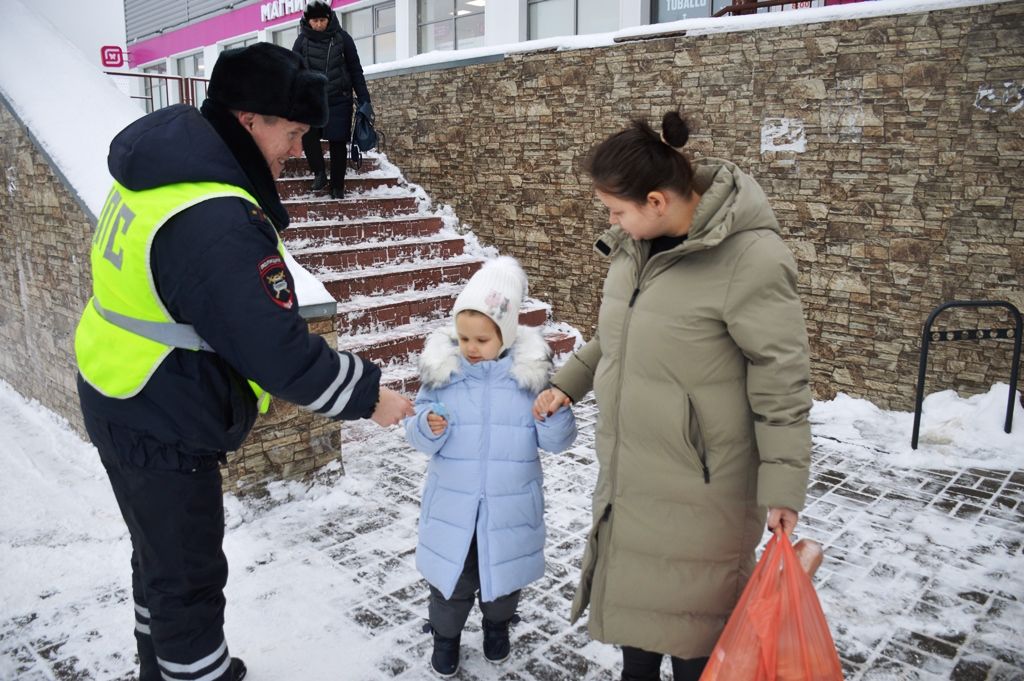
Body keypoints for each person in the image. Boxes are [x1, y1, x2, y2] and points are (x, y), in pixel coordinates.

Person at [74, 42, 413, 681]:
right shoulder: (213, 217)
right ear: (250, 119)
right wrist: (371, 396)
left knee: (159, 560)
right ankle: (195, 671)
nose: (294, 149)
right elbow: (276, 349)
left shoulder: (164, 173)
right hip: (160, 412)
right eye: (291, 133)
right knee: (187, 575)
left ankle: (163, 666)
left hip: (119, 387)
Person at [533, 108, 812, 681]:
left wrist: (784, 488)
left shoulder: (750, 258)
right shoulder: (635, 250)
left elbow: (782, 379)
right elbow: (619, 336)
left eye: (617, 210)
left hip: (704, 490)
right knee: (637, 634)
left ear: (657, 202)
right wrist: (569, 383)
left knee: (695, 643)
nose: (610, 221)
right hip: (631, 477)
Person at [404, 257, 577, 677]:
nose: (471, 347)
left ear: (508, 333)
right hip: (453, 508)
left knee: (502, 581)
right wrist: (428, 427)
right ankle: (445, 638)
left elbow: (558, 443)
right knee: (451, 584)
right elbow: (417, 433)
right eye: (463, 337)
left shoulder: (529, 380)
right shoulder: (444, 376)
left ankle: (497, 628)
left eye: (482, 338)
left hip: (509, 506)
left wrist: (550, 417)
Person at [291, 0, 371, 199]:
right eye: (314, 21)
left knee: (337, 142)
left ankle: (338, 186)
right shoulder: (302, 41)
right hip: (312, 100)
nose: (318, 24)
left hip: (339, 98)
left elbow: (355, 69)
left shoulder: (343, 38)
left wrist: (364, 99)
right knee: (307, 135)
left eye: (321, 20)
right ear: (308, 21)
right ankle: (319, 173)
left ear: (328, 19)